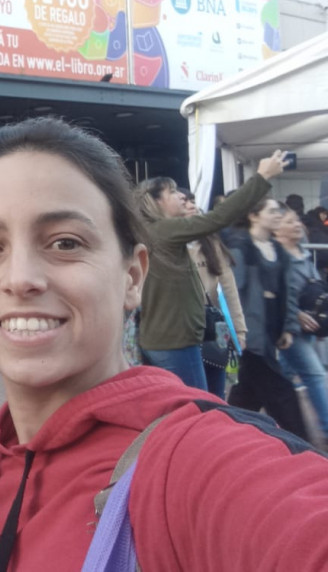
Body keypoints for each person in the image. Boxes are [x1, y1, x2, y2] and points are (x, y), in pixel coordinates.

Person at [0, 117, 328, 571]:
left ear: (132, 276)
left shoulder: (183, 469)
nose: (21, 278)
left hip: (197, 342)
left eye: (65, 242)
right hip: (168, 342)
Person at [134, 156, 287, 391]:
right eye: (172, 192)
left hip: (168, 339)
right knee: (199, 409)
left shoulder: (151, 232)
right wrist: (262, 177)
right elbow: (219, 218)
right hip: (174, 341)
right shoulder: (163, 230)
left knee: (199, 405)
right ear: (156, 202)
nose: (181, 196)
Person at [226, 199, 310, 441]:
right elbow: (235, 291)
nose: (277, 215)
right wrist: (239, 331)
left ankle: (231, 435)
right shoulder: (241, 247)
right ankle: (302, 443)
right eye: (272, 211)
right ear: (254, 216)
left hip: (270, 326)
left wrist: (288, 326)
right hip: (251, 329)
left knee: (247, 393)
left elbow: (288, 291)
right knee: (280, 390)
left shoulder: (277, 248)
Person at [178, 188, 248, 398]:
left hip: (213, 327)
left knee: (216, 390)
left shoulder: (210, 243)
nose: (191, 206)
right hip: (179, 331)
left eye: (193, 201)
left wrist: (239, 331)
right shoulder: (167, 244)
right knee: (192, 392)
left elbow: (229, 287)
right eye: (184, 202)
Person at [275, 207, 328, 444]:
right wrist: (295, 315)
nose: (297, 224)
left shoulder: (300, 252)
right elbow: (276, 294)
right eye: (290, 221)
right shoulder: (275, 256)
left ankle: (283, 422)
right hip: (289, 327)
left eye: (297, 220)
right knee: (315, 375)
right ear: (278, 229)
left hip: (307, 327)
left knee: (283, 376)